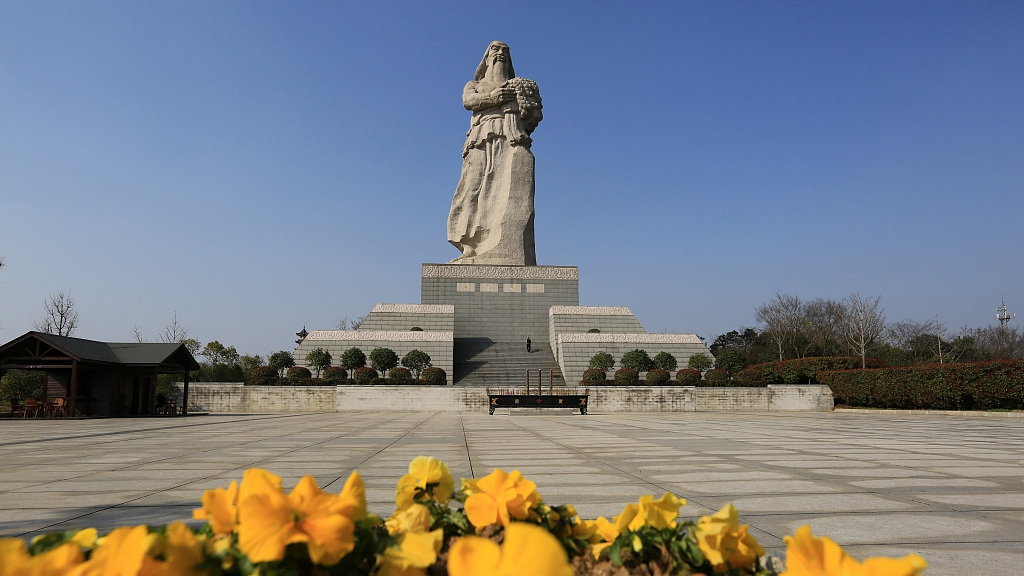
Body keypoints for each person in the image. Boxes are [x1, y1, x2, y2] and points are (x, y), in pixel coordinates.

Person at [447, 41, 542, 265]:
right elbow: (468, 101)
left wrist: (519, 105)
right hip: (480, 139)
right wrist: (494, 98)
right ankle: (471, 247)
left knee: (507, 189)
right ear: (486, 57)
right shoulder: (474, 84)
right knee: (473, 189)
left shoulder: (517, 85)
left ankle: (507, 247)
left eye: (505, 51)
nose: (500, 53)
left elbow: (534, 115)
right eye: (495, 49)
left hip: (510, 136)